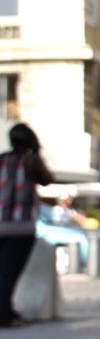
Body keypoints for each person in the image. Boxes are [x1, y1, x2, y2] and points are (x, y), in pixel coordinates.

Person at [0, 124, 53, 328]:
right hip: (20, 227)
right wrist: (37, 152)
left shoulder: (2, 158)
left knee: (2, 272)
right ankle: (5, 315)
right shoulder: (31, 160)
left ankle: (7, 311)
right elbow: (47, 179)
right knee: (9, 273)